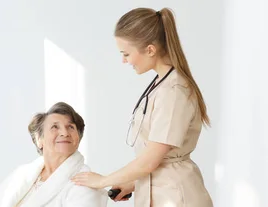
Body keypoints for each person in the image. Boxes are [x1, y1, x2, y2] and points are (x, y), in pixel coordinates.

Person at [71, 7, 213, 207]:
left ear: (150, 49)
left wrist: (103, 181)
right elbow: (156, 161)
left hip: (176, 197)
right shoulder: (161, 84)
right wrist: (132, 183)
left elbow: (150, 160)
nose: (124, 60)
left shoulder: (174, 90)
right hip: (160, 190)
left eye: (126, 53)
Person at [0, 102, 107, 207]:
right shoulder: (22, 175)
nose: (64, 133)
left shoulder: (84, 183)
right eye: (55, 127)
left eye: (70, 127)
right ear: (39, 139)